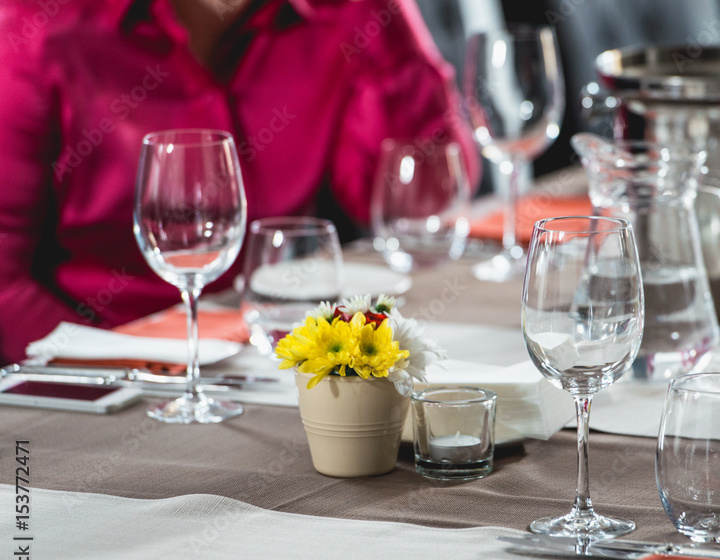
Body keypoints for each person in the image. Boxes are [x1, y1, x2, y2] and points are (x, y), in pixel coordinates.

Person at [0, 0, 480, 364]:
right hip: (110, 369)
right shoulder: (38, 26)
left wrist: (383, 19)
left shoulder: (338, 14)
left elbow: (426, 209)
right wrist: (130, 370)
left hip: (272, 357)